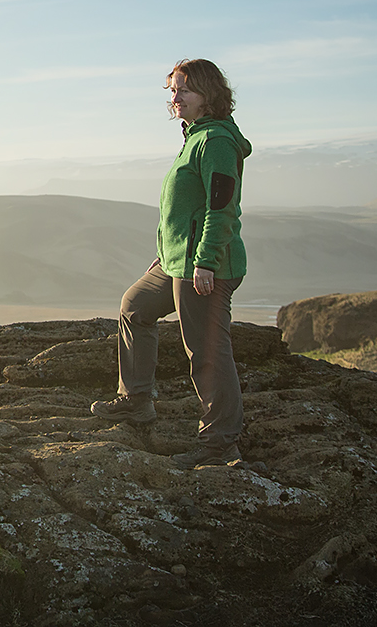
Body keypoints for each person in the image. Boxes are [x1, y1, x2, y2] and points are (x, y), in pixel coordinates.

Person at [90, 58, 252, 469]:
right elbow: (185, 209)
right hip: (177, 261)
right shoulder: (195, 136)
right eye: (172, 91)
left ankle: (219, 444)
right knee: (135, 306)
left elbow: (221, 210)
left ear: (208, 96)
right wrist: (169, 253)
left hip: (205, 265)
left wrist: (206, 262)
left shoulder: (215, 141)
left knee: (207, 352)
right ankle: (136, 401)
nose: (175, 98)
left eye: (184, 90)